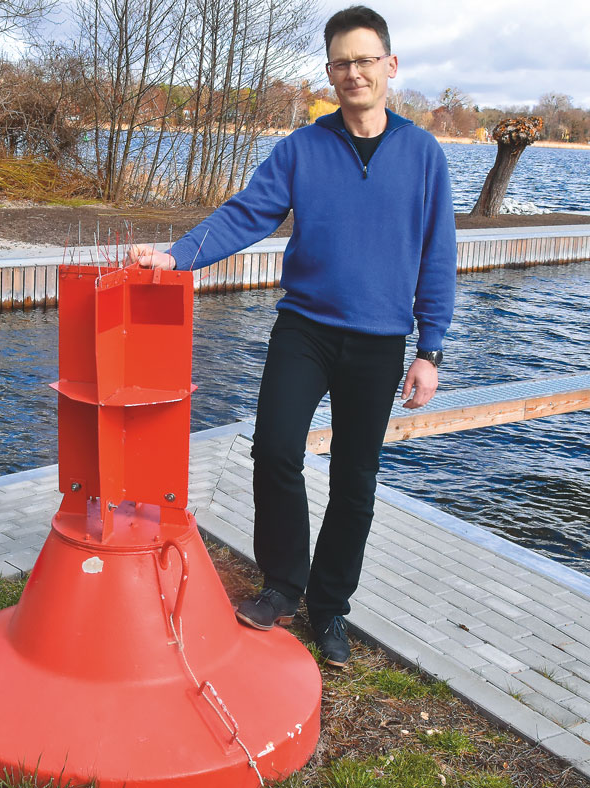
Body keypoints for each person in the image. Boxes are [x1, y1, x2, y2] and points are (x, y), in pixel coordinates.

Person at [129, 5, 457, 666]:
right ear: (330, 72)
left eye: (366, 59)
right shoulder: (303, 148)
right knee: (276, 449)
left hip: (378, 341)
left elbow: (438, 255)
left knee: (354, 479)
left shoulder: (422, 154)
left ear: (390, 68)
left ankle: (331, 607)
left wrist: (430, 350)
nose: (354, 72)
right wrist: (177, 256)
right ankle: (283, 584)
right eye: (342, 61)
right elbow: (247, 213)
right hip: (304, 329)